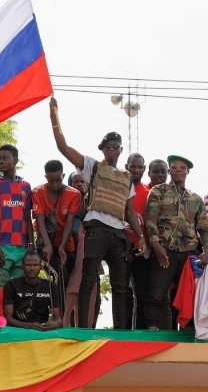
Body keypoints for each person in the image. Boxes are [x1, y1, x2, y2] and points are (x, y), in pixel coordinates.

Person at [49, 97, 146, 329]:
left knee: (120, 285)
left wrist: (141, 236)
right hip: (97, 231)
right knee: (88, 280)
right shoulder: (93, 166)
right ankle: (83, 328)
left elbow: (130, 211)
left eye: (116, 147)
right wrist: (54, 117)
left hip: (119, 235)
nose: (112, 150)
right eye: (108, 146)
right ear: (102, 149)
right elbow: (63, 147)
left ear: (121, 150)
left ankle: (120, 330)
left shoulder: (126, 178)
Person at [144, 155, 208, 330]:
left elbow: (204, 227)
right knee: (156, 294)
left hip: (188, 252)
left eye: (182, 167)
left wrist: (207, 251)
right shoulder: (158, 191)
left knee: (188, 296)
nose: (179, 170)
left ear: (187, 172)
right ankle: (152, 333)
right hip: (164, 250)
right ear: (169, 171)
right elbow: (150, 219)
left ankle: (186, 335)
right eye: (175, 167)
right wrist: (156, 245)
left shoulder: (195, 198)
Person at [0, 144, 34, 287]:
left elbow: (28, 218)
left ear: (15, 161)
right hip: (1, 246)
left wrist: (31, 244)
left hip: (22, 247)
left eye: (5, 158)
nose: (0, 162)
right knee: (0, 287)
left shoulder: (26, 186)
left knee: (20, 287)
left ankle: (18, 311)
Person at [32, 160, 81, 313]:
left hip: (67, 247)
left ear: (63, 176)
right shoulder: (37, 192)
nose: (54, 184)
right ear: (46, 177)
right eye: (51, 180)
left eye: (58, 180)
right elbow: (39, 220)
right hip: (47, 245)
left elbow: (69, 223)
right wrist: (48, 246)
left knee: (67, 283)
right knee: (60, 278)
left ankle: (65, 318)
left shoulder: (74, 194)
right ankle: (58, 317)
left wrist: (61, 247)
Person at [128, 158, 167, 329]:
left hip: (150, 251)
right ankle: (127, 332)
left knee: (152, 295)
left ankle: (151, 331)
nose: (159, 175)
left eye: (162, 172)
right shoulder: (130, 189)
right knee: (128, 294)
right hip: (127, 247)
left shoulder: (153, 192)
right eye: (155, 172)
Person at [63, 172, 102, 328]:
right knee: (68, 296)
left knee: (91, 300)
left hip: (91, 261)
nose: (79, 184)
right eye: (75, 182)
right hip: (69, 260)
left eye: (82, 181)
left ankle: (86, 333)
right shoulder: (65, 203)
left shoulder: (93, 203)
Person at [3, 251, 62, 330]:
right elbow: (8, 318)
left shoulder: (51, 286)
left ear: (41, 267)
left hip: (42, 328)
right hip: (18, 329)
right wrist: (28, 325)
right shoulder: (11, 285)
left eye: (35, 265)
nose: (32, 268)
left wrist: (55, 324)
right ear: (22, 267)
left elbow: (58, 319)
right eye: (28, 265)